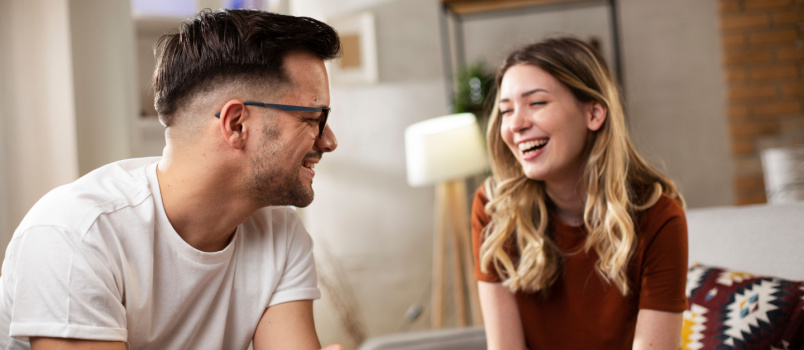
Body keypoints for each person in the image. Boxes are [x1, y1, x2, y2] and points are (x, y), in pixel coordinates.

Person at [0, 9, 343, 350]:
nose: (329, 141)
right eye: (312, 118)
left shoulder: (280, 232)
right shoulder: (76, 234)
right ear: (236, 124)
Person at [472, 37, 688, 350]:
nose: (515, 124)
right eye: (506, 110)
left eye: (536, 103)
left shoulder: (659, 217)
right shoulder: (494, 209)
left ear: (594, 114)